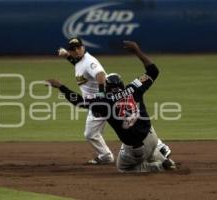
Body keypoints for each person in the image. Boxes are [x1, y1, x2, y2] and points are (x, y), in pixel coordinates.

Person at [48, 41, 176, 172]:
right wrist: (137, 51)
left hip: (136, 148)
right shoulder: (134, 87)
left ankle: (159, 166)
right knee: (144, 141)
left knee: (123, 167)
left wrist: (61, 87)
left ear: (107, 88)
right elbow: (153, 71)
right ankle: (160, 152)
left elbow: (79, 101)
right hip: (152, 137)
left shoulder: (104, 104)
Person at [58, 37, 114, 164]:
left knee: (91, 134)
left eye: (79, 47)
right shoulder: (80, 61)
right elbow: (79, 65)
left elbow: (100, 75)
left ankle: (106, 156)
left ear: (83, 47)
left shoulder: (89, 61)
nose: (77, 51)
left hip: (100, 103)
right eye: (73, 49)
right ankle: (106, 155)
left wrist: (100, 94)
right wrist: (67, 56)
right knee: (121, 126)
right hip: (96, 103)